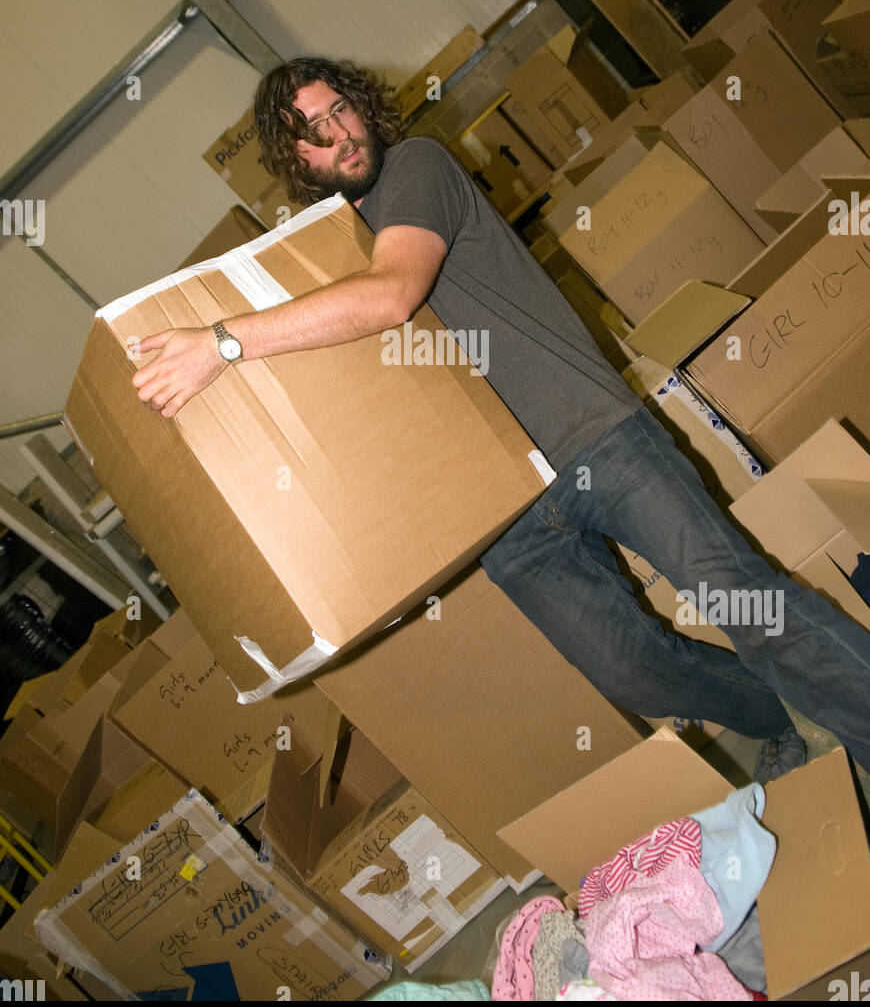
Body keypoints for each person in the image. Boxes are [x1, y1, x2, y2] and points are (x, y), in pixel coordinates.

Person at [131, 56, 870, 780]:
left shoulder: (414, 168)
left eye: (342, 111)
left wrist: (222, 342)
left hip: (593, 439)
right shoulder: (324, 258)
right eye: (315, 131)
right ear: (295, 157)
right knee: (633, 674)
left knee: (749, 606)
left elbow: (392, 295)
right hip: (503, 512)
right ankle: (788, 717)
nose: (341, 134)